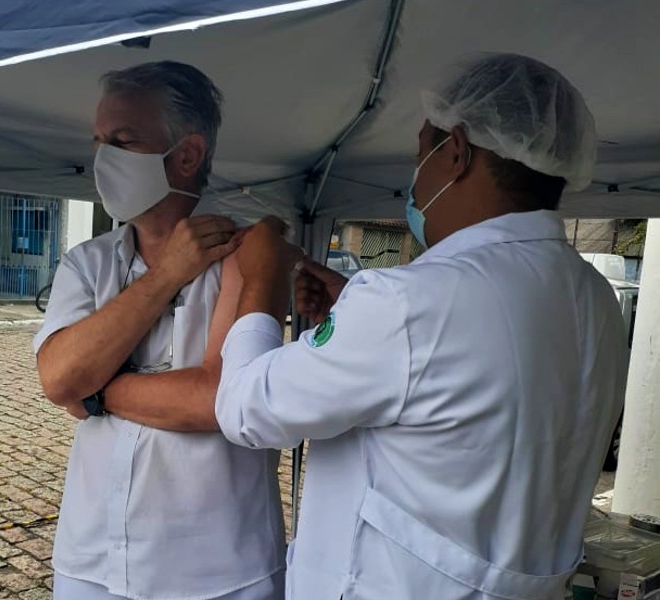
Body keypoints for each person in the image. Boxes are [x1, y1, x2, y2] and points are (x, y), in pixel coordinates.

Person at [215, 54, 627, 599]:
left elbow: (245, 410)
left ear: (454, 152)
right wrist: (352, 318)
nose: (415, 179)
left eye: (420, 154)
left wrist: (260, 284)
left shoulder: (408, 302)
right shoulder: (595, 297)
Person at [34, 61, 285, 600]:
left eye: (123, 141)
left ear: (188, 155)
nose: (103, 158)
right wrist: (168, 272)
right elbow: (57, 378)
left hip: (217, 569)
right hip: (92, 559)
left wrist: (96, 390)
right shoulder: (87, 263)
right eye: (100, 140)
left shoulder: (247, 257)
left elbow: (216, 399)